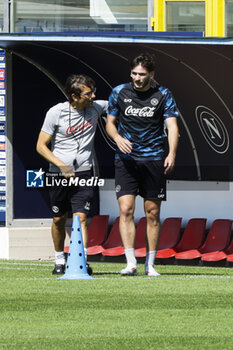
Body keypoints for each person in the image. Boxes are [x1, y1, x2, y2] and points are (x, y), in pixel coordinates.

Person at [106, 53, 179, 277]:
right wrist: (117, 138)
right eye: (134, 73)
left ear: (151, 74)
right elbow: (110, 123)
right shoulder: (119, 92)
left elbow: (173, 127)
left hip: (154, 159)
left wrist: (172, 154)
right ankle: (130, 263)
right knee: (126, 210)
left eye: (142, 74)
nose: (138, 78)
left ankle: (150, 264)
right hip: (126, 161)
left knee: (152, 213)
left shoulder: (163, 94)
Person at [36, 74, 108, 275]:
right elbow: (41, 146)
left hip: (85, 171)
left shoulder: (97, 107)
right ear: (74, 96)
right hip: (58, 174)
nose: (93, 96)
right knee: (59, 219)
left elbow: (122, 102)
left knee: (81, 218)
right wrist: (61, 166)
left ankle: (80, 262)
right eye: (88, 93)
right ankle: (59, 260)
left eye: (93, 91)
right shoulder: (56, 112)